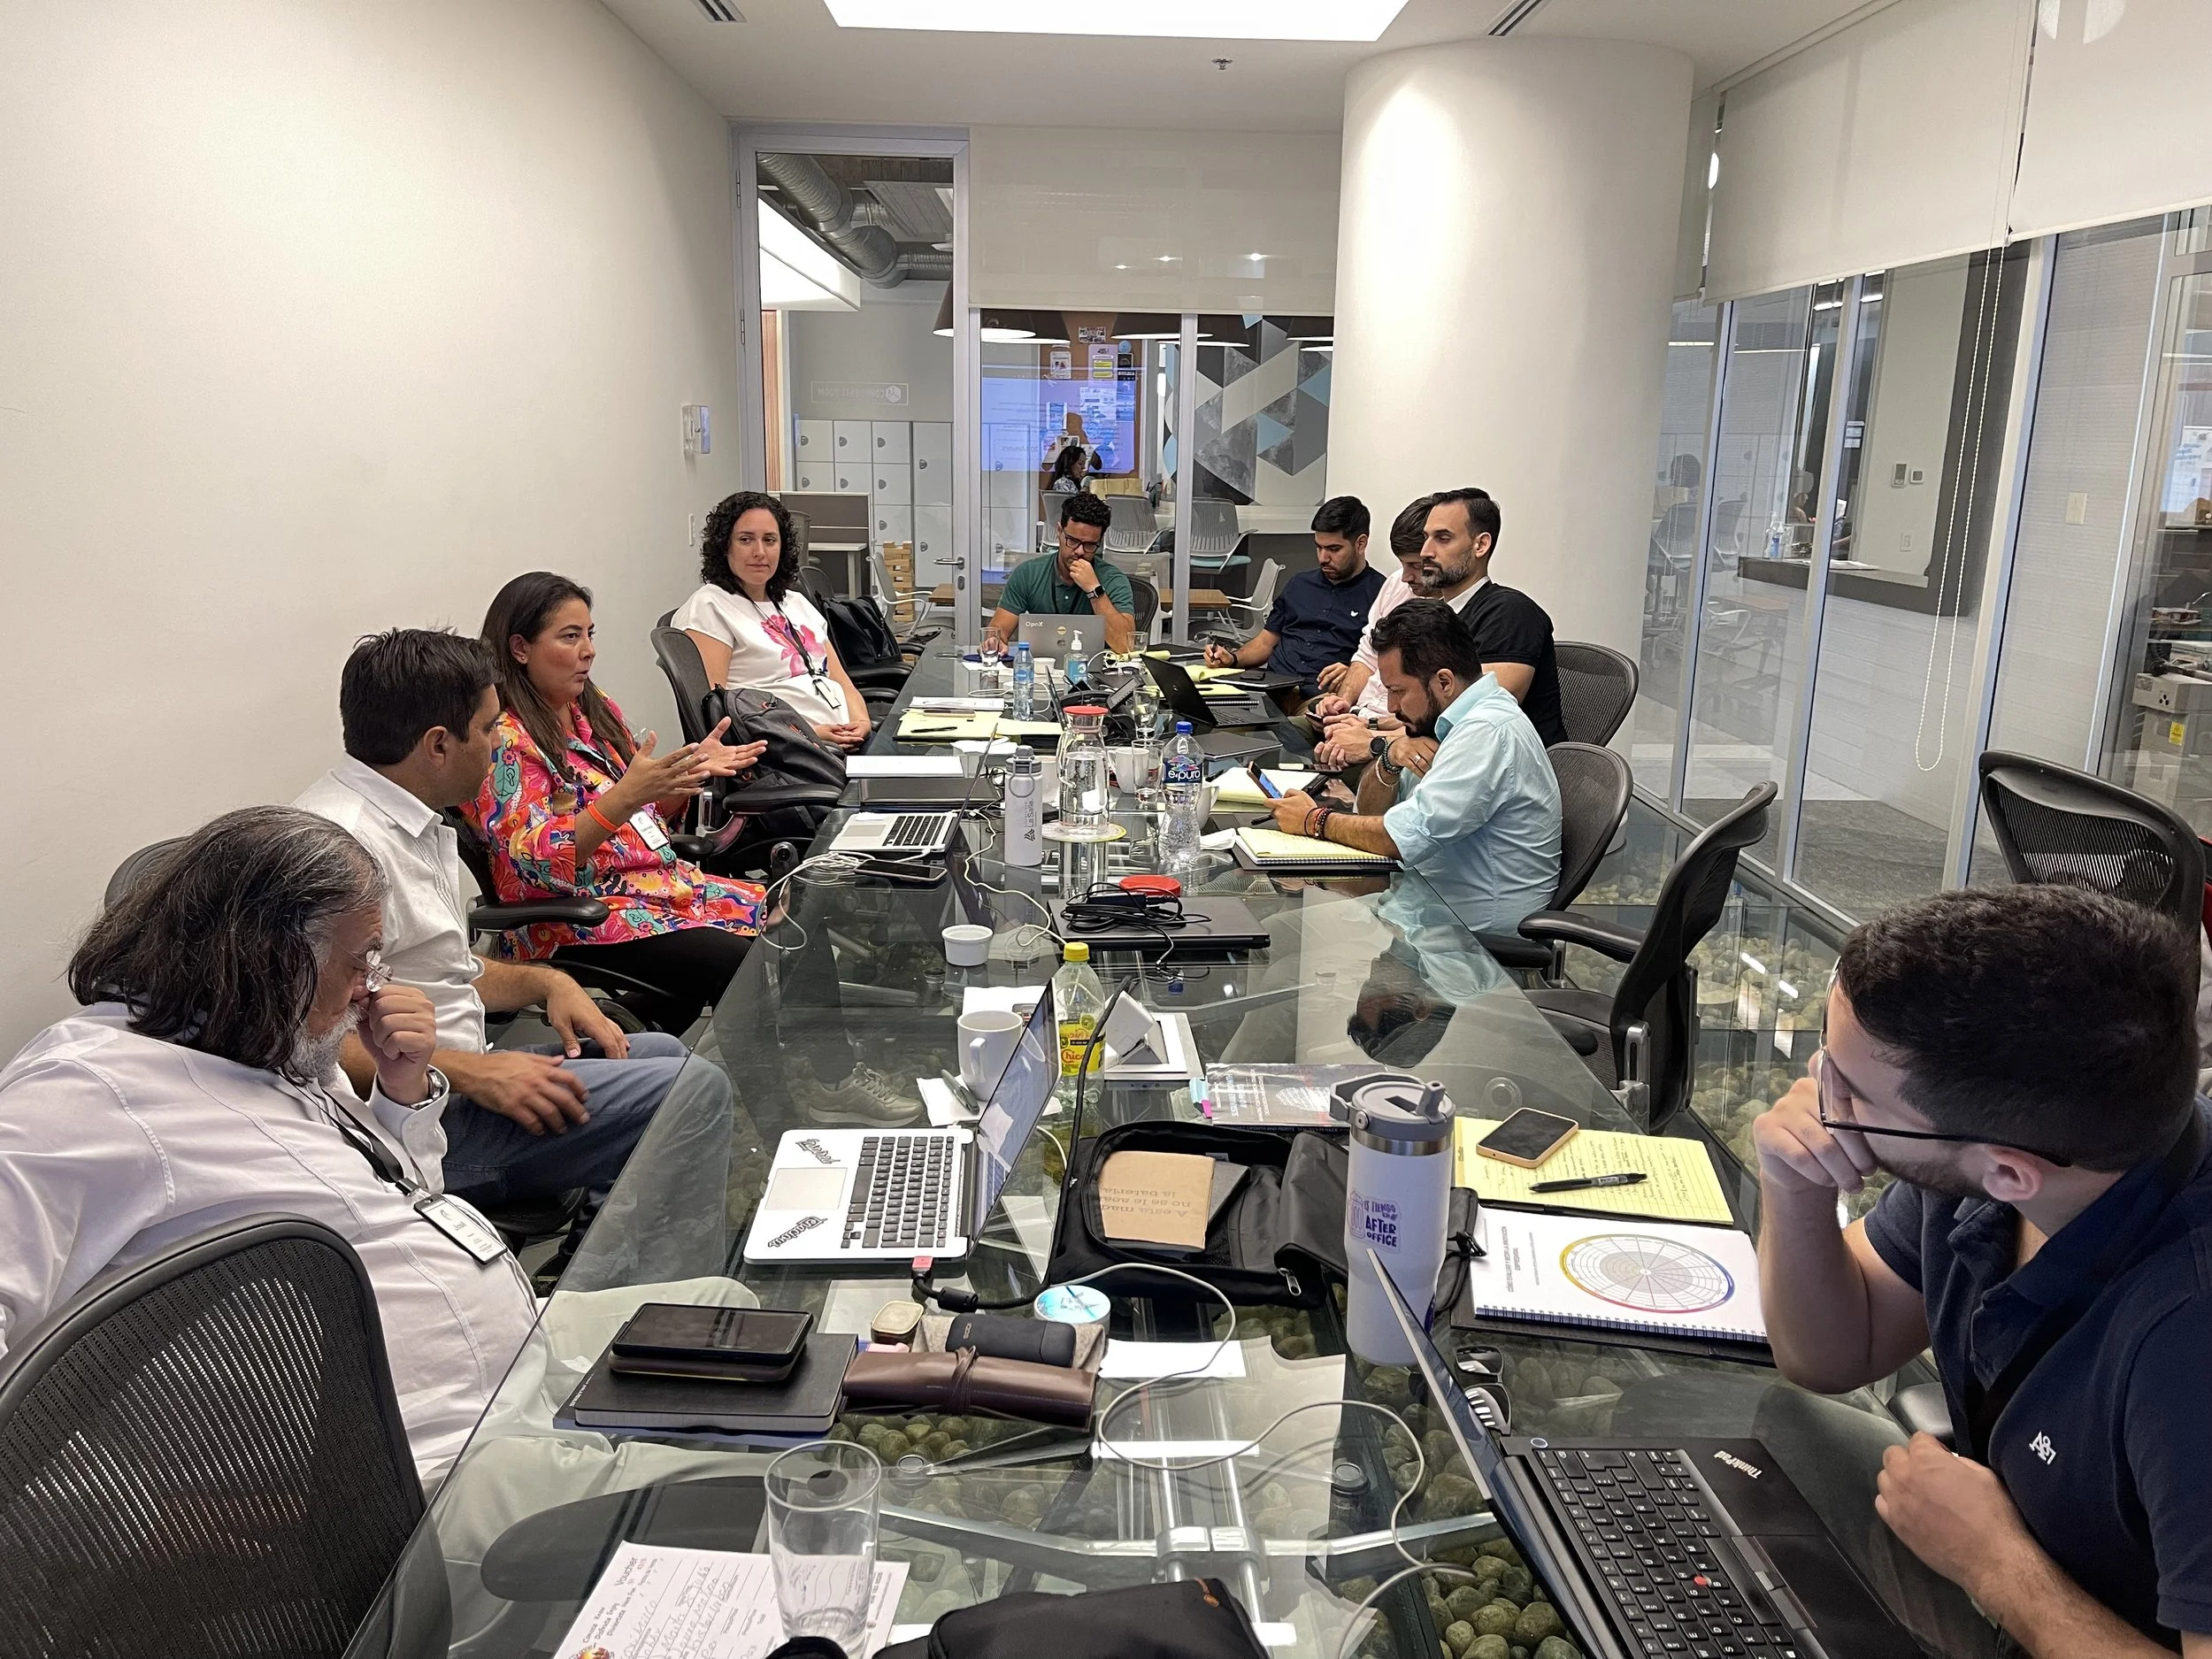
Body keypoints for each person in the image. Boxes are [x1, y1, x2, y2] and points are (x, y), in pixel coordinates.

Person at [0, 807, 538, 1483]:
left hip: (512, 1394)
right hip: (436, 1478)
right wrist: (121, 1513)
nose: (371, 988)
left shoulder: (270, 1044)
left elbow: (402, 1204)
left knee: (703, 1329)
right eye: (360, 961)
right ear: (271, 960)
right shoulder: (84, 1090)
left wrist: (401, 1094)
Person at [1754, 886, 2212, 1657]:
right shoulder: (2004, 1162)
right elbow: (1831, 1355)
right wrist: (1793, 1185)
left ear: (2010, 1173)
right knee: (1770, 1434)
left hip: (2065, 1610)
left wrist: (1997, 1564)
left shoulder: (2187, 1343)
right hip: (2003, 1554)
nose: (1818, 1097)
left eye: (1849, 1091)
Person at [296, 628, 730, 1227]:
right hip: (419, 1125)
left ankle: (605, 1243)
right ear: (439, 745)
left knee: (657, 1050)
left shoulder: (412, 821)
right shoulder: (341, 852)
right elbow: (313, 1047)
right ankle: (651, 1287)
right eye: (490, 729)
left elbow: (447, 970)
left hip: (455, 1077)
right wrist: (477, 1073)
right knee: (694, 1089)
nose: (501, 745)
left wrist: (546, 984)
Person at [468, 572, 768, 1034]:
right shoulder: (506, 742)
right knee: (742, 962)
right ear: (520, 648)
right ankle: (797, 1087)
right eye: (570, 637)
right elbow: (539, 862)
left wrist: (683, 776)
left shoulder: (591, 707)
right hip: (575, 915)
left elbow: (644, 816)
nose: (589, 650)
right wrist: (628, 795)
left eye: (590, 634)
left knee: (796, 910)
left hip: (652, 889)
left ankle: (827, 1074)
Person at [1269, 600, 1559, 933]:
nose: (1391, 706)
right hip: (1417, 909)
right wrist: (1390, 760)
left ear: (1445, 682)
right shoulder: (1445, 722)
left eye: (1398, 691)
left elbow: (1402, 838)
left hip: (1466, 943)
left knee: (1272, 942)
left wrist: (1313, 821)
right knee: (1273, 932)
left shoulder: (1487, 733)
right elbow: (1370, 811)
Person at [1315, 488, 1567, 759]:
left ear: (1480, 545)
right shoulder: (1436, 617)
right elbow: (1424, 713)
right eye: (1426, 538)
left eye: (1443, 538)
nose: (1426, 551)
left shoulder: (1512, 613)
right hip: (1432, 762)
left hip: (1493, 777)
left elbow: (1469, 721)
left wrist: (1374, 743)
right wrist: (1368, 724)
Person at [674, 489, 872, 750]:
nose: (760, 552)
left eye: (770, 540)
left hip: (846, 742)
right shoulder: (711, 606)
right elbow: (715, 712)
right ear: (725, 547)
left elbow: (840, 680)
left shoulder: (796, 603)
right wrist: (811, 733)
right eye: (746, 540)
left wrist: (862, 721)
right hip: (787, 752)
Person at [1203, 495, 1386, 705]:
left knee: (1283, 731)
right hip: (1269, 688)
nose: (1322, 558)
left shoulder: (1381, 594)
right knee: (1203, 713)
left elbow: (1384, 664)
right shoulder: (1300, 584)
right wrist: (1233, 658)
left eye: (1334, 549)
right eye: (1319, 547)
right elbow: (1265, 642)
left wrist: (1355, 671)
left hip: (1321, 698)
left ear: (1360, 543)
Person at [987, 491, 1134, 654]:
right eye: (1072, 540)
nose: (1079, 551)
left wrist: (1094, 590)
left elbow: (1126, 646)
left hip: (1098, 674)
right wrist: (994, 642)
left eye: (1090, 545)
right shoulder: (1028, 573)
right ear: (1059, 531)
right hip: (1039, 671)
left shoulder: (1113, 579)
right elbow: (998, 631)